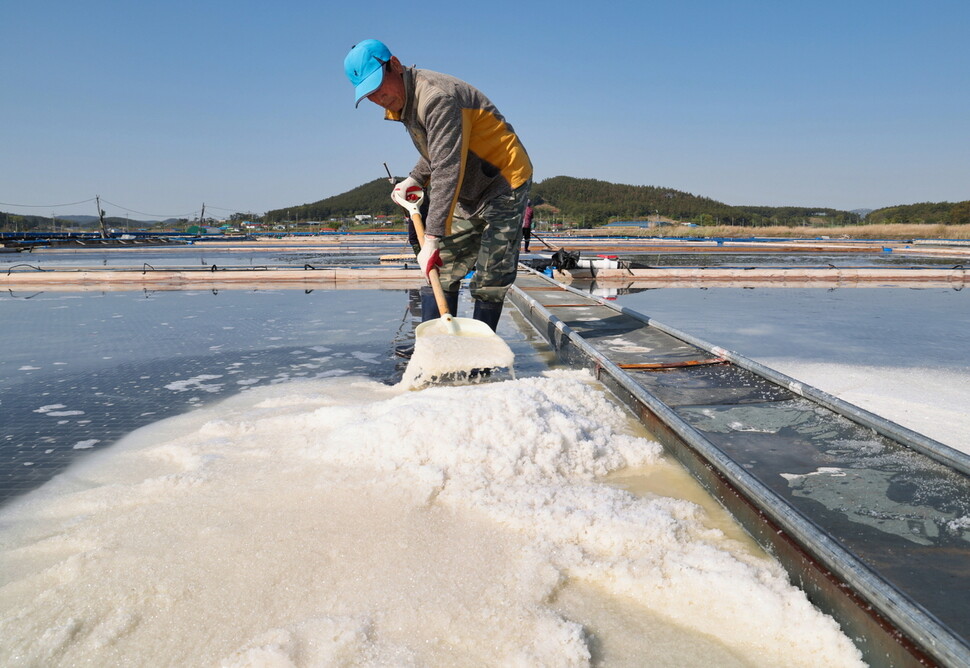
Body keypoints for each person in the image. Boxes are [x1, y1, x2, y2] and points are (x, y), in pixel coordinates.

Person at [343, 39, 532, 332]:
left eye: (380, 87)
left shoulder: (436, 98)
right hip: (468, 187)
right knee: (441, 269)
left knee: (490, 276)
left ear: (394, 65)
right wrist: (416, 178)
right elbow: (437, 150)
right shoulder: (406, 101)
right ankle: (437, 347)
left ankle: (479, 361)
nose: (378, 98)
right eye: (369, 94)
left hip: (503, 182)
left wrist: (431, 236)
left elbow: (447, 166)